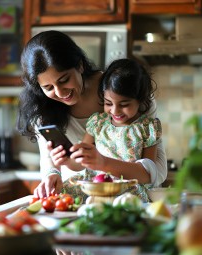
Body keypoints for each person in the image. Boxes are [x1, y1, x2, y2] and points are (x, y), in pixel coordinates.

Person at [17, 30, 167, 200]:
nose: (59, 92)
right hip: (84, 198)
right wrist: (53, 173)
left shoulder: (127, 92)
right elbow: (51, 160)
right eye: (48, 88)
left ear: (80, 65)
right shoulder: (44, 110)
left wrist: (103, 162)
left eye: (64, 80)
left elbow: (157, 171)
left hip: (134, 198)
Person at [49, 58, 162, 201]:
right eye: (108, 103)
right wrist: (66, 160)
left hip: (129, 188)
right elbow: (80, 162)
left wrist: (104, 162)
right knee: (61, 197)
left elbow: (147, 174)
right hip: (97, 185)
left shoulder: (147, 127)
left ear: (140, 100)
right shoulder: (98, 123)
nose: (115, 111)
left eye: (124, 104)